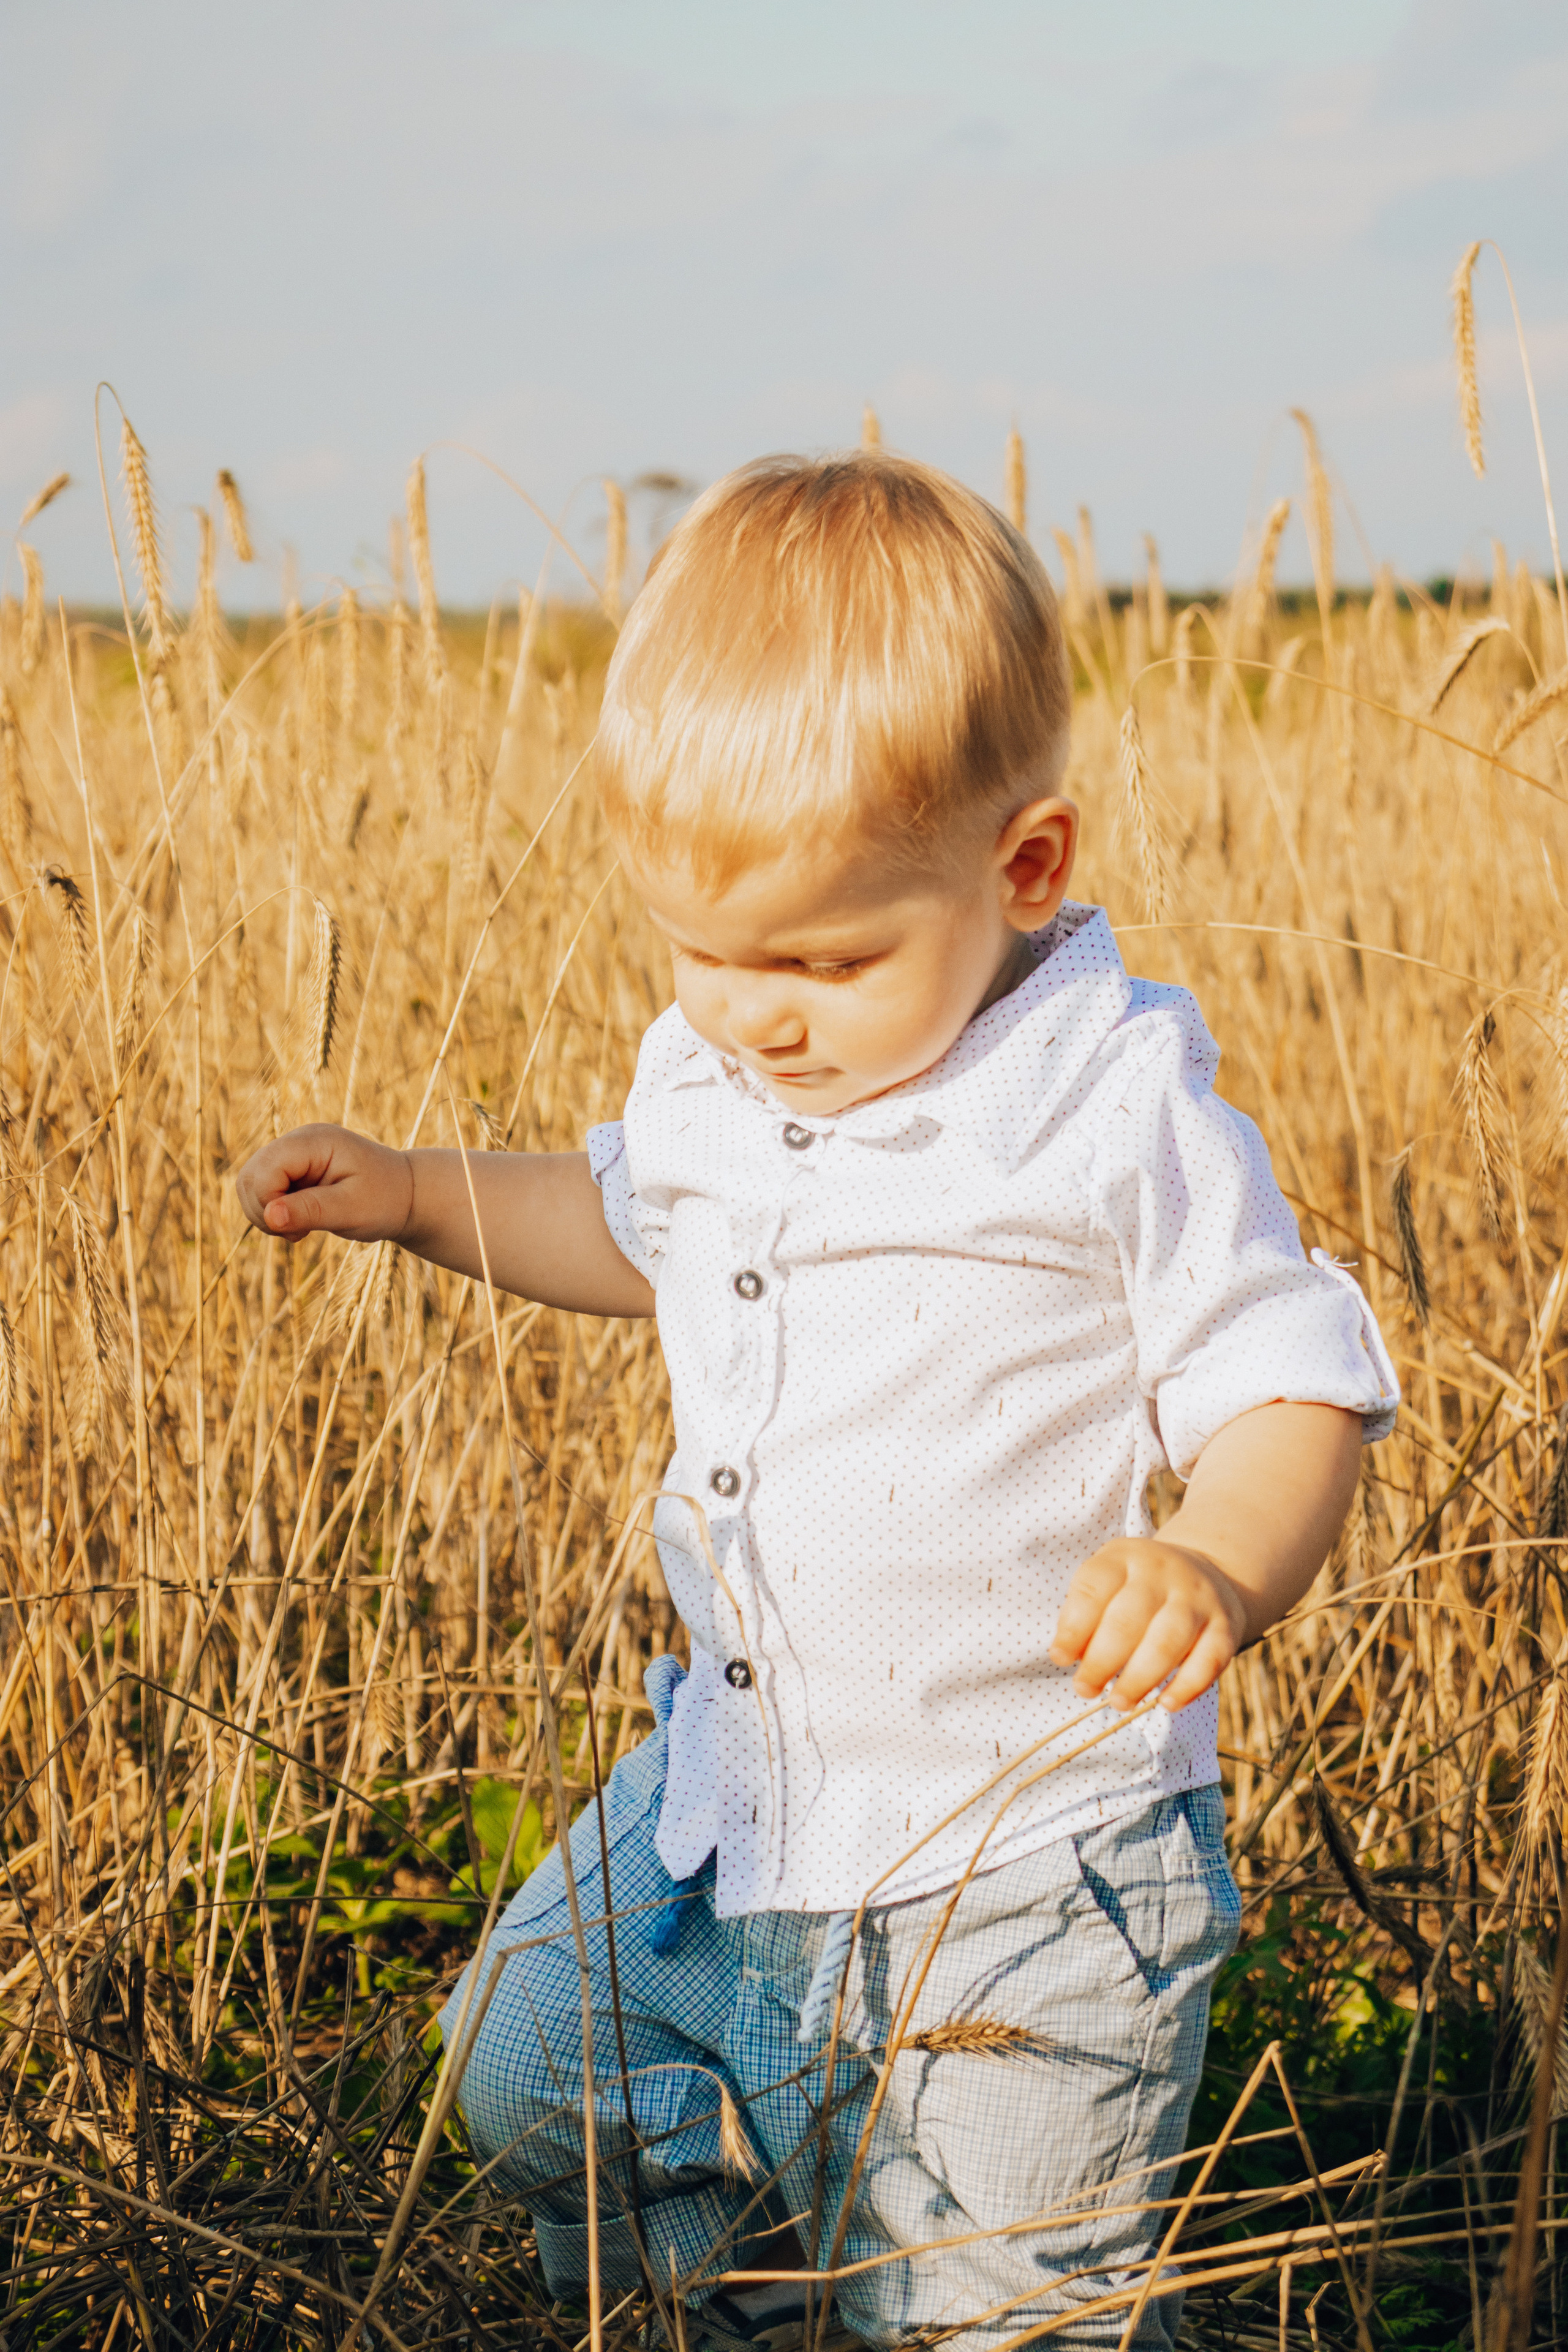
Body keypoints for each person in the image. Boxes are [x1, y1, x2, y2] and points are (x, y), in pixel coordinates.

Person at [235, 451, 1398, 2352]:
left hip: (1022, 1855)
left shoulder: (1109, 1105)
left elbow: (1292, 1381)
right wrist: (418, 1193)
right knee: (526, 2074)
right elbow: (631, 1224)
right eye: (702, 951)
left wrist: (1216, 1562)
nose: (756, 1011)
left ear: (1024, 867)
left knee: (1003, 2312)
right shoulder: (722, 1078)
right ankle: (764, 2303)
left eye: (828, 959)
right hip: (736, 1802)